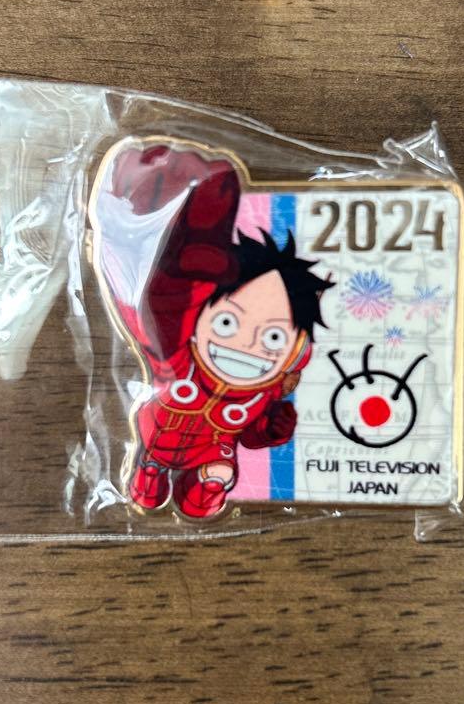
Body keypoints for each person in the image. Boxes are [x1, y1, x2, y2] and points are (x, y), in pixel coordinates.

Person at [93, 141, 333, 518]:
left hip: (210, 453)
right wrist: (190, 258)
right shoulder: (179, 360)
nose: (245, 344)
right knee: (150, 477)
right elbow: (160, 310)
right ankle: (150, 474)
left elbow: (251, 435)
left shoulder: (260, 395)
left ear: (296, 352)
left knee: (219, 473)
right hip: (157, 437)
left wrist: (273, 430)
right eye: (226, 322)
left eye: (273, 338)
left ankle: (200, 490)